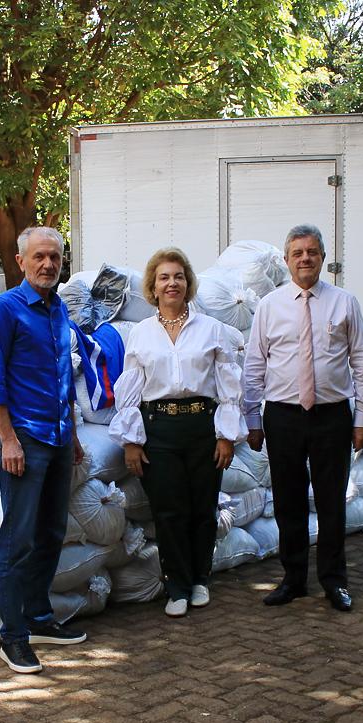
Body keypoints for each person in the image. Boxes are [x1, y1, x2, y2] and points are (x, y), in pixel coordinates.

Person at [243, 224, 363, 612]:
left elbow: (362, 363)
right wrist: (252, 419)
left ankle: (334, 581)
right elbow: (254, 365)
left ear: (323, 258)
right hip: (283, 416)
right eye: (298, 253)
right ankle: (293, 579)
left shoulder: (344, 303)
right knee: (288, 502)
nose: (305, 259)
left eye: (312, 252)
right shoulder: (269, 306)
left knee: (332, 501)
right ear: (286, 260)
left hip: (331, 416)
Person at [110, 248, 246, 617]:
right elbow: (131, 390)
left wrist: (225, 435)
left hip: (202, 426)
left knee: (203, 507)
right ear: (153, 287)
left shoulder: (211, 329)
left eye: (179, 277)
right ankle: (177, 587)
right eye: (164, 278)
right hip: (159, 428)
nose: (172, 283)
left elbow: (228, 385)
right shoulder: (141, 333)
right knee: (169, 510)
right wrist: (132, 442)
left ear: (188, 284)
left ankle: (200, 579)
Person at [0, 226, 87, 673]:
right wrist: (8, 439)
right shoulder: (5, 309)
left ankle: (40, 618)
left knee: (50, 534)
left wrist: (73, 436)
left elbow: (64, 379)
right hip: (24, 439)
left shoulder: (59, 309)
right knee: (18, 540)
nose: (48, 264)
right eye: (39, 256)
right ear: (20, 261)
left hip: (59, 440)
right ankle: (14, 637)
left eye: (55, 258)